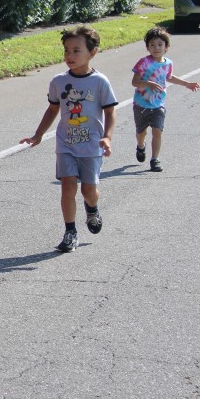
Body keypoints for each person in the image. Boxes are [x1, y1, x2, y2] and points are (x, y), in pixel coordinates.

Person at [20, 25, 117, 253]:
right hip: (66, 144)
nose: (69, 56)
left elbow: (111, 112)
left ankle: (92, 209)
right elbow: (53, 109)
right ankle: (70, 232)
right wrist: (38, 134)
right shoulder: (59, 81)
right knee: (67, 187)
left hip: (91, 146)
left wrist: (107, 137)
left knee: (89, 192)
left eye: (76, 51)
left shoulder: (100, 82)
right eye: (66, 50)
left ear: (92, 53)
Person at [131, 26, 200, 172]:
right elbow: (134, 82)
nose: (156, 48)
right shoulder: (144, 62)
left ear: (166, 47)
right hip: (141, 104)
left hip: (158, 105)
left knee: (157, 131)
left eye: (160, 44)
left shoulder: (168, 63)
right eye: (152, 45)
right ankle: (141, 146)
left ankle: (154, 159)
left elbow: (169, 77)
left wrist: (186, 83)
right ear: (147, 47)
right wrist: (148, 83)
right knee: (141, 132)